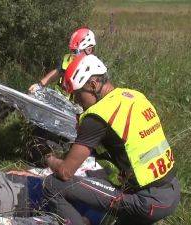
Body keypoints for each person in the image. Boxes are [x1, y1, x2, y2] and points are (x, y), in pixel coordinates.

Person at [43, 55, 180, 225]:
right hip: (171, 191)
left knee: (52, 185)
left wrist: (48, 158)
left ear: (93, 85)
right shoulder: (134, 96)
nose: (77, 102)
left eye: (77, 95)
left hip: (147, 200)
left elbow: (65, 172)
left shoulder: (98, 115)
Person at [28, 27, 96, 95]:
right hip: (57, 99)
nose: (73, 54)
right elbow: (57, 72)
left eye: (76, 51)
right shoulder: (68, 59)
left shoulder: (94, 68)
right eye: (72, 50)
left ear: (88, 49)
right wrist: (39, 85)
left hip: (76, 104)